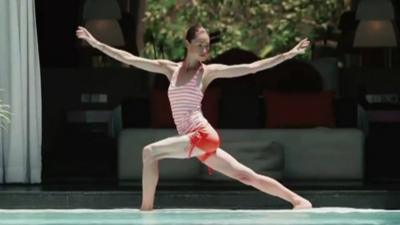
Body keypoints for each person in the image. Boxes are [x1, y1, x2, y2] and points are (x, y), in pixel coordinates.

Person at [76, 24, 312, 211]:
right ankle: (299, 201)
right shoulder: (169, 69)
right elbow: (129, 59)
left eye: (207, 46)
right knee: (245, 175)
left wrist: (287, 55)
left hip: (202, 135)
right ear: (187, 43)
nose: (204, 50)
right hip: (196, 141)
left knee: (149, 152)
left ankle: (145, 211)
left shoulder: (207, 72)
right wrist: (96, 43)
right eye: (200, 45)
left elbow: (250, 67)